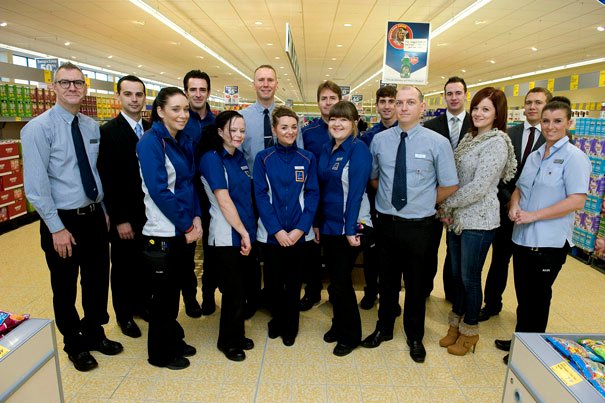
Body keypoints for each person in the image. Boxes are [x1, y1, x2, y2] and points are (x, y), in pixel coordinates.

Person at [22, 62, 123, 372]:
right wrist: (56, 228)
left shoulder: (91, 127)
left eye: (78, 82)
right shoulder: (37, 128)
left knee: (96, 280)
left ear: (85, 87)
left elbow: (95, 174)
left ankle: (94, 332)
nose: (72, 88)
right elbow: (36, 187)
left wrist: (104, 211)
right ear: (54, 87)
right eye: (65, 83)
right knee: (64, 286)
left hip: (93, 217)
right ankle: (74, 343)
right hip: (62, 221)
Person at [362, 86, 458, 364]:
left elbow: (450, 184)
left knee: (417, 285)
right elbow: (374, 179)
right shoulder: (380, 140)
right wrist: (391, 200)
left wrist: (424, 200)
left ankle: (414, 335)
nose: (403, 107)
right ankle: (384, 328)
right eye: (399, 102)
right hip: (387, 224)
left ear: (421, 107)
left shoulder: (437, 142)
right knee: (387, 281)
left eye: (410, 102)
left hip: (421, 226)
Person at [496, 101, 590, 364]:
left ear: (569, 123)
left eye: (558, 121)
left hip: (548, 243)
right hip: (523, 238)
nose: (551, 126)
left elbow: (576, 200)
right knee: (524, 296)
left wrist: (533, 215)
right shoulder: (536, 155)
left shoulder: (575, 158)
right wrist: (514, 204)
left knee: (538, 299)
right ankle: (522, 338)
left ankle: (530, 352)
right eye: (546, 121)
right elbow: (520, 188)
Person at [438, 87, 517, 356]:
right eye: (476, 108)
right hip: (459, 218)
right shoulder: (470, 139)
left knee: (470, 278)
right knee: (457, 276)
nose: (478, 113)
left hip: (480, 220)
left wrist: (446, 202)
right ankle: (455, 326)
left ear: (497, 114)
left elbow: (480, 186)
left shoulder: (497, 142)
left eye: (486, 109)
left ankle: (470, 331)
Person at [137, 87, 202, 370]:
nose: (183, 114)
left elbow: (189, 184)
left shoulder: (181, 140)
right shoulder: (151, 142)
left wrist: (197, 217)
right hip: (162, 232)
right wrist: (188, 223)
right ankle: (159, 354)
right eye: (175, 109)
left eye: (185, 109)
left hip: (183, 230)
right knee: (163, 297)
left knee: (175, 289)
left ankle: (173, 339)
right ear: (160, 111)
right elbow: (159, 191)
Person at [479, 87, 552, 322]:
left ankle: (525, 316)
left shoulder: (558, 139)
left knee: (526, 269)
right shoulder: (508, 134)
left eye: (538, 103)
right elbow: (497, 175)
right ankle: (491, 304)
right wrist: (510, 201)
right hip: (505, 210)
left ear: (547, 107)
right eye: (528, 102)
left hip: (535, 215)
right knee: (499, 261)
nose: (532, 107)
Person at [253, 106, 319, 347]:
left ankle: (290, 326)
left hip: (299, 234)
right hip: (272, 235)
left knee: (293, 283)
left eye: (293, 127)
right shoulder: (264, 158)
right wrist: (277, 231)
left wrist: (300, 229)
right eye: (284, 127)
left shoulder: (307, 158)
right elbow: (260, 195)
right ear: (274, 129)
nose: (289, 131)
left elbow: (312, 195)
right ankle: (277, 321)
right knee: (272, 283)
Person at [199, 111, 257, 362]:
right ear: (220, 131)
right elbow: (224, 200)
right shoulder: (212, 159)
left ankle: (237, 332)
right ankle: (228, 341)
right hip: (226, 236)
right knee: (232, 291)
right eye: (233, 130)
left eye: (242, 130)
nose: (238, 135)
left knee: (242, 289)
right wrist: (243, 232)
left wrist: (248, 231)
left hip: (244, 232)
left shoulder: (240, 157)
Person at [316, 101, 372, 356]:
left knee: (341, 281)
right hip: (329, 225)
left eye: (344, 120)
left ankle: (350, 335)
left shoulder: (358, 150)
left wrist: (350, 229)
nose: (337, 124)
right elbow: (321, 189)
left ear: (354, 123)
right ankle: (338, 324)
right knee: (336, 282)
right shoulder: (327, 148)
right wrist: (317, 223)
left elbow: (357, 193)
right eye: (333, 119)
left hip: (352, 225)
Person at [98, 75, 151, 338]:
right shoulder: (108, 132)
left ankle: (142, 305)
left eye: (138, 94)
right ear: (118, 97)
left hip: (149, 214)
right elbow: (108, 179)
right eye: (128, 94)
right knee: (122, 267)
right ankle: (124, 314)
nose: (134, 99)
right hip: (125, 216)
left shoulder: (152, 129)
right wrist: (119, 219)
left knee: (144, 263)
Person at [423, 76, 471, 301]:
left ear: (465, 95)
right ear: (444, 96)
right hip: (435, 196)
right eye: (449, 93)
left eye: (458, 93)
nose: (453, 98)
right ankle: (424, 289)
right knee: (429, 248)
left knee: (456, 250)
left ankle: (453, 293)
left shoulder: (477, 125)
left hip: (464, 198)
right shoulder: (431, 126)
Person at [299, 81, 342, 312]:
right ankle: (312, 291)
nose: (328, 103)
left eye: (332, 98)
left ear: (339, 101)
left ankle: (336, 291)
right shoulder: (308, 133)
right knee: (312, 252)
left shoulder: (347, 131)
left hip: (338, 202)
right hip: (312, 201)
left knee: (337, 251)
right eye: (324, 98)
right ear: (318, 103)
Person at [358, 85, 398, 310]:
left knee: (392, 255)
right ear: (377, 105)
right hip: (374, 203)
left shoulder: (406, 134)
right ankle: (370, 291)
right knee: (371, 251)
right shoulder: (368, 137)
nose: (387, 106)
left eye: (391, 101)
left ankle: (389, 295)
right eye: (382, 102)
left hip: (398, 207)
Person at [181, 69, 216, 318]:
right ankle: (190, 298)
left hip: (212, 194)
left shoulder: (218, 121)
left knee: (212, 249)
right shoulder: (180, 121)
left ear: (208, 92)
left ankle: (209, 295)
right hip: (185, 194)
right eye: (193, 89)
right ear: (186, 92)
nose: (197, 94)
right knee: (187, 251)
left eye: (202, 89)